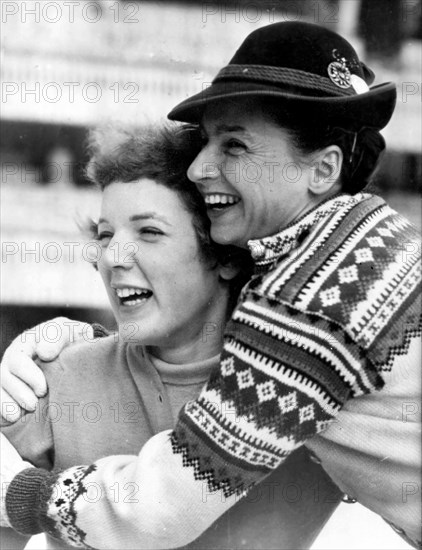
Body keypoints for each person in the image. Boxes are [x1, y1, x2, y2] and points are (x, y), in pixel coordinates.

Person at [1, 21, 420, 550]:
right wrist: (74, 343)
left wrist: (20, 496)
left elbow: (166, 504)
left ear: (323, 169)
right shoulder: (374, 242)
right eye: (208, 142)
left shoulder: (308, 300)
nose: (201, 166)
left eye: (235, 145)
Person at [0, 122, 341, 550]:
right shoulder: (47, 381)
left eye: (150, 232)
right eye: (106, 235)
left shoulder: (301, 391)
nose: (113, 257)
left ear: (225, 255)